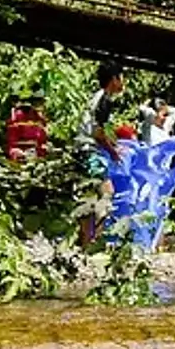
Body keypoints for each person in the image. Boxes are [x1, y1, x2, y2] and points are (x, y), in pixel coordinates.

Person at [77, 62, 126, 245]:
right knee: (107, 193)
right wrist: (113, 152)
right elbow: (97, 134)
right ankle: (94, 241)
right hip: (90, 150)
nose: (123, 83)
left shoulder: (96, 98)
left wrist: (111, 142)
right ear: (114, 79)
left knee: (89, 197)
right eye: (121, 78)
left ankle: (84, 241)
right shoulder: (104, 100)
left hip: (81, 149)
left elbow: (98, 129)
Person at [4, 95, 48, 163]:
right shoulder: (15, 117)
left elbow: (42, 139)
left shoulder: (38, 118)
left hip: (34, 149)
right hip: (18, 149)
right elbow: (11, 140)